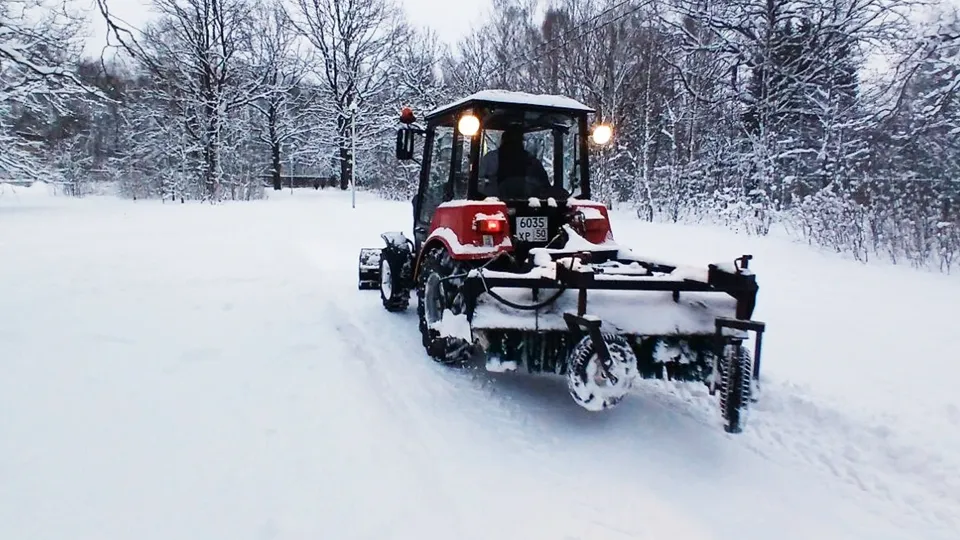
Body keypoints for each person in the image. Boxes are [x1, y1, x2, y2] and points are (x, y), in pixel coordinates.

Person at [478, 125, 551, 198]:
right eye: (511, 141)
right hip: (496, 200)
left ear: (502, 141)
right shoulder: (532, 160)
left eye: (515, 141)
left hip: (526, 201)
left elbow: (479, 180)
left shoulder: (492, 157)